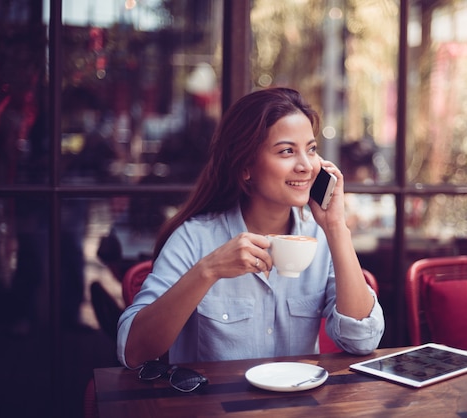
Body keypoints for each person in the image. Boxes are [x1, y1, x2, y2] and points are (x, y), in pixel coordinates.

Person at [117, 87, 384, 367]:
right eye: (286, 151)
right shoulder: (194, 238)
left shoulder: (321, 237)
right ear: (246, 166)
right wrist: (208, 271)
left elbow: (362, 341)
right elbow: (133, 352)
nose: (306, 165)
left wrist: (337, 228)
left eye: (311, 149)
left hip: (296, 408)